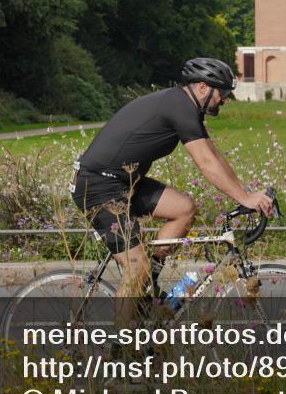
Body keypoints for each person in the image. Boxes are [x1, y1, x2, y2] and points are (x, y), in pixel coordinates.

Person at [70, 57, 273, 333]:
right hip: (98, 186)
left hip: (124, 182)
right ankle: (123, 355)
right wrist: (244, 199)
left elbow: (214, 155)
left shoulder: (185, 106)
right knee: (135, 268)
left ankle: (149, 293)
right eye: (222, 93)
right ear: (203, 87)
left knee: (184, 208)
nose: (224, 100)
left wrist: (246, 194)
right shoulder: (179, 106)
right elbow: (205, 163)